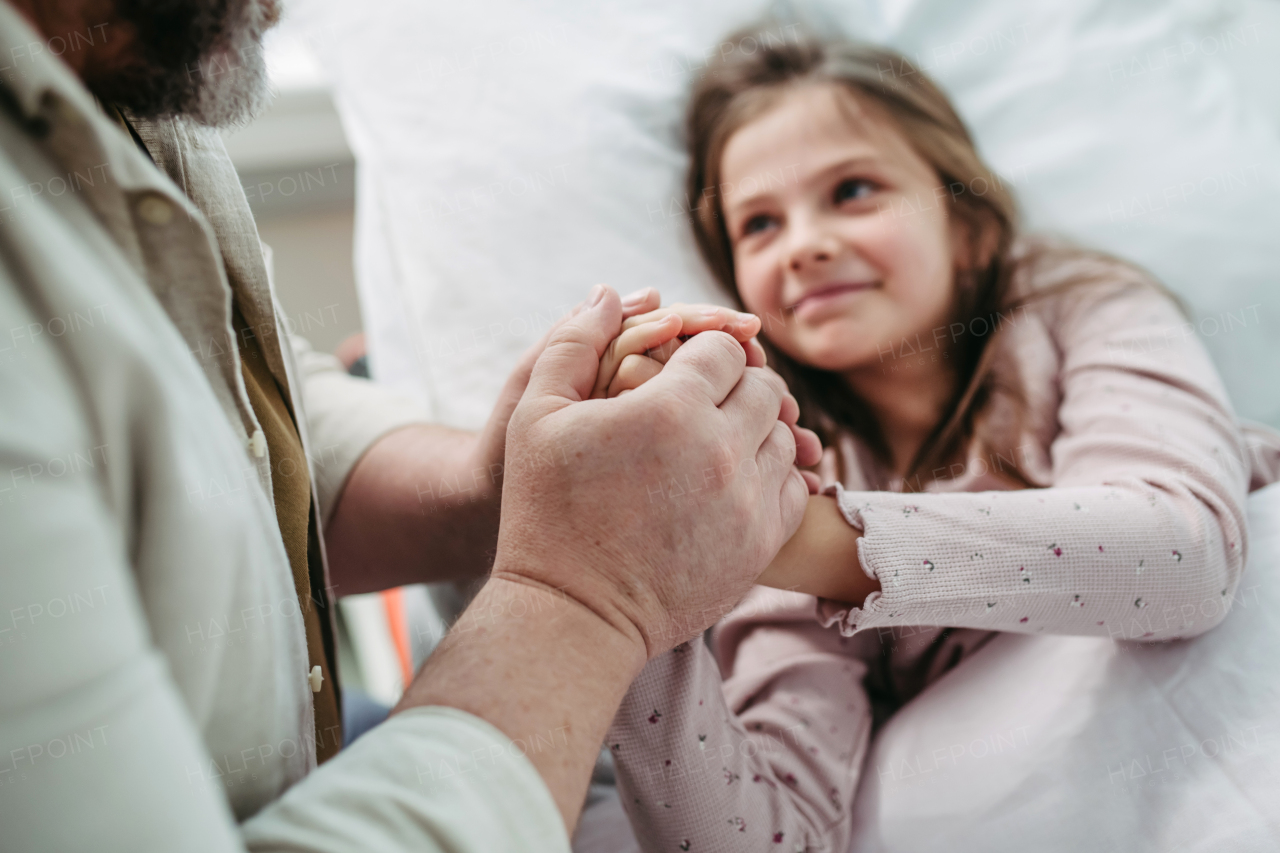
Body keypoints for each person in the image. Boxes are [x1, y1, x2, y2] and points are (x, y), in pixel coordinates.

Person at [0, 0, 824, 849]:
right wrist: (580, 593)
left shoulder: (127, 93)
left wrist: (494, 484)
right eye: (761, 218)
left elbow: (240, 412)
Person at [590, 28, 1280, 851]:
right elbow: (769, 838)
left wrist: (784, 534)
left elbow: (1185, 559)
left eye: (852, 190)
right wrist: (635, 585)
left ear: (970, 228)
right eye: (761, 223)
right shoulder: (796, 476)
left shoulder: (1078, 310)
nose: (805, 242)